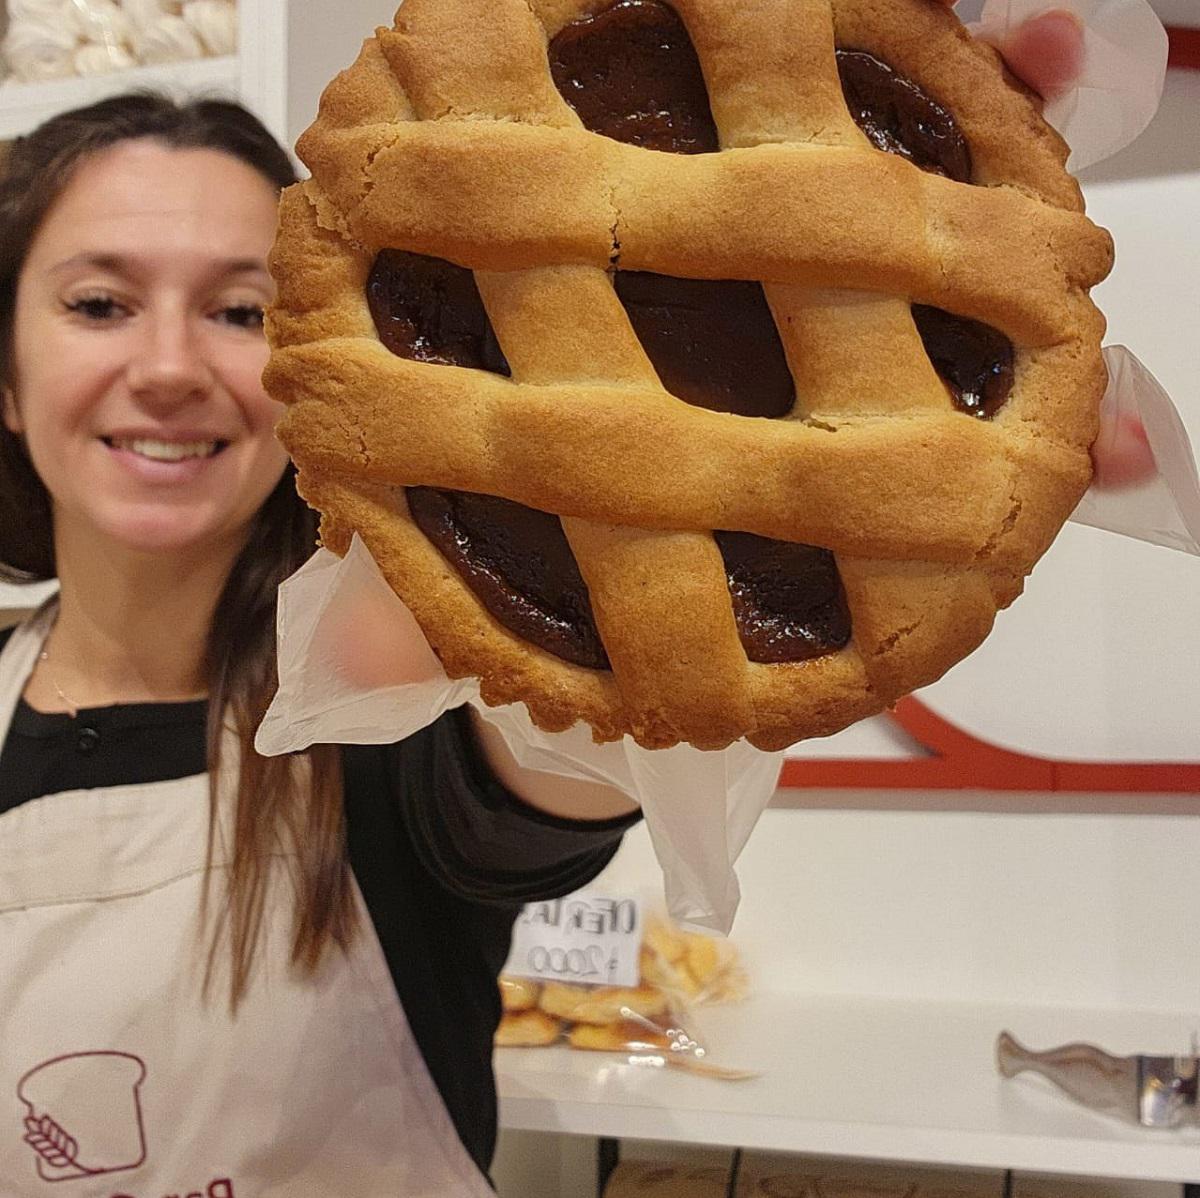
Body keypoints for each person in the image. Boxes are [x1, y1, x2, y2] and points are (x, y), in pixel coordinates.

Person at [0, 13, 1154, 1196]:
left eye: (240, 310)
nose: (170, 367)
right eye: (99, 304)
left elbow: (543, 775)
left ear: (302, 339)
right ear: (4, 367)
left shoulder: (386, 691)